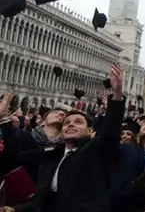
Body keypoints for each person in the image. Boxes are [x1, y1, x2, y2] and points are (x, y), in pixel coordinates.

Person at [6, 64, 126, 212]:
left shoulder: (95, 150)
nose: (70, 125)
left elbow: (111, 132)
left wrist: (117, 95)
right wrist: (15, 210)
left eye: (78, 122)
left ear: (89, 131)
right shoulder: (51, 156)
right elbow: (41, 201)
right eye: (67, 123)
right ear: (62, 131)